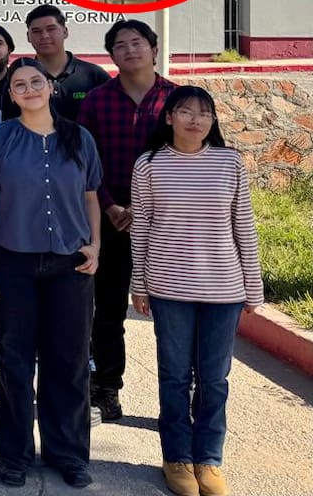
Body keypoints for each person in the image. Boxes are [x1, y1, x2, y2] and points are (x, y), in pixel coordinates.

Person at [0, 58, 103, 490]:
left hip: (70, 265)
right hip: (14, 263)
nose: (29, 89)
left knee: (68, 363)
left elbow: (90, 199)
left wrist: (95, 244)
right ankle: (13, 454)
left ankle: (68, 453)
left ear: (49, 87)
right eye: (19, 85)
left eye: (35, 81)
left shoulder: (78, 138)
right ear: (11, 95)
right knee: (14, 360)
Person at [130, 86, 262, 496]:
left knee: (214, 379)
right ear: (169, 117)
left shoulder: (229, 163)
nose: (195, 120)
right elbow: (142, 228)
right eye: (185, 112)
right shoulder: (149, 165)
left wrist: (253, 287)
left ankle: (208, 459)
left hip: (224, 289)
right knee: (174, 377)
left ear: (213, 121)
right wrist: (139, 283)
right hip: (170, 289)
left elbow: (244, 226)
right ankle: (177, 458)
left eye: (204, 114)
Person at [78, 19, 177, 424]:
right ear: (112, 55)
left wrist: (146, 207)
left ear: (153, 49)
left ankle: (179, 393)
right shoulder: (97, 101)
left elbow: (191, 159)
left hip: (167, 227)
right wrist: (110, 206)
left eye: (138, 43)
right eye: (121, 45)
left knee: (173, 313)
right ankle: (107, 386)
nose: (130, 50)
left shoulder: (178, 99)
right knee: (109, 312)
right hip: (111, 222)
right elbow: (84, 161)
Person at [24, 5, 110, 121]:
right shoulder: (21, 79)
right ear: (28, 37)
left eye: (51, 29)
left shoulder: (93, 75)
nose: (44, 36)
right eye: (37, 31)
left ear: (65, 32)